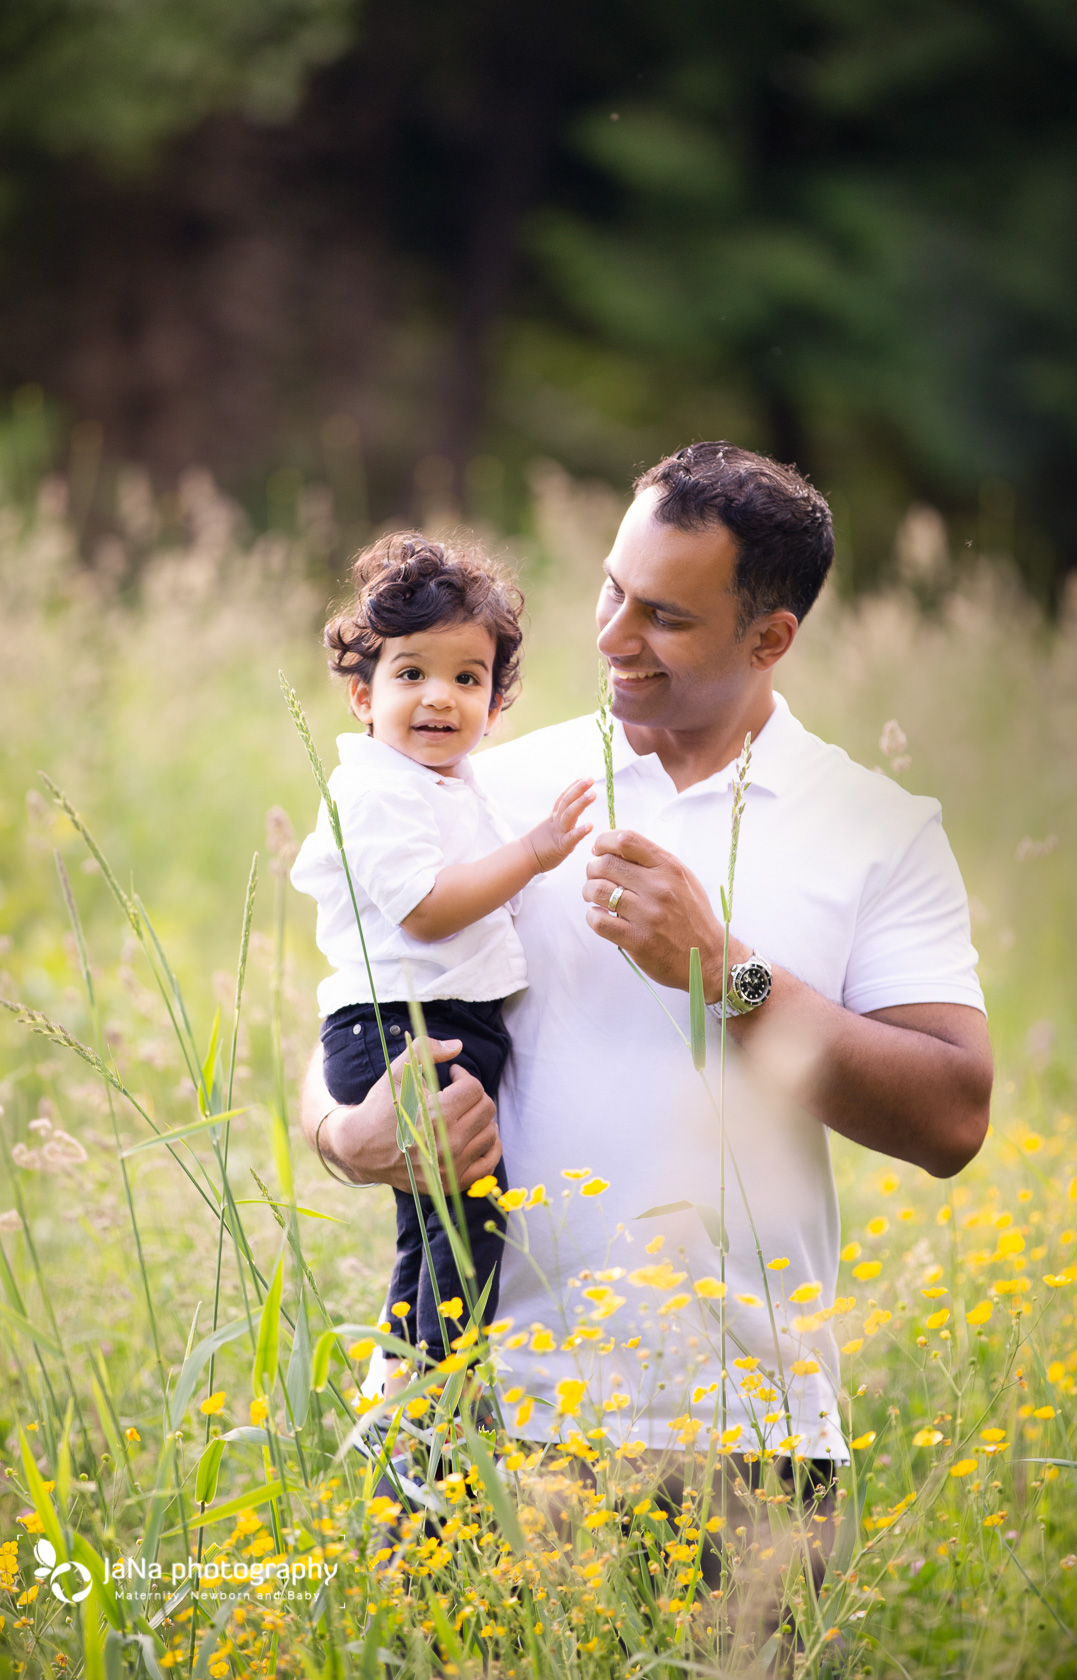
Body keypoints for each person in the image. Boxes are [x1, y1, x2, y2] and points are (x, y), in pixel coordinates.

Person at [298, 443, 992, 1639]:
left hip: (742, 1442)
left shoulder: (874, 829)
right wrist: (347, 1133)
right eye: (612, 591)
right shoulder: (490, 784)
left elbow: (952, 1115)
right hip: (476, 1416)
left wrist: (722, 976)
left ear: (770, 638)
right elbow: (359, 999)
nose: (613, 636)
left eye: (664, 615)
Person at [290, 533, 594, 1363]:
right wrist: (532, 855)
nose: (440, 697)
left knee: (436, 1223)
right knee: (468, 1217)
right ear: (363, 697)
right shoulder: (374, 786)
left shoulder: (455, 786)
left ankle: (406, 1379)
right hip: (403, 1028)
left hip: (441, 1020)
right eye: (411, 673)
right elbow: (425, 910)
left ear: (495, 706)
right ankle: (440, 1382)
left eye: (468, 678)